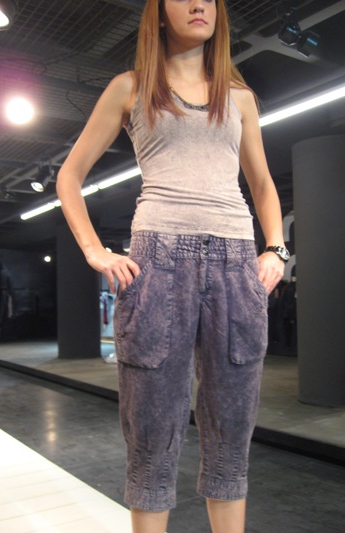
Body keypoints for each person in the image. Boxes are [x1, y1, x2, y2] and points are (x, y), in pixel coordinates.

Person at [57, 1, 289, 531]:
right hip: (158, 265)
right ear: (159, 13)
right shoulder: (131, 87)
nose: (198, 4)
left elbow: (261, 182)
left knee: (232, 435)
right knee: (151, 433)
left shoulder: (240, 97)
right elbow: (69, 175)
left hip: (236, 264)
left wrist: (276, 248)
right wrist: (94, 250)